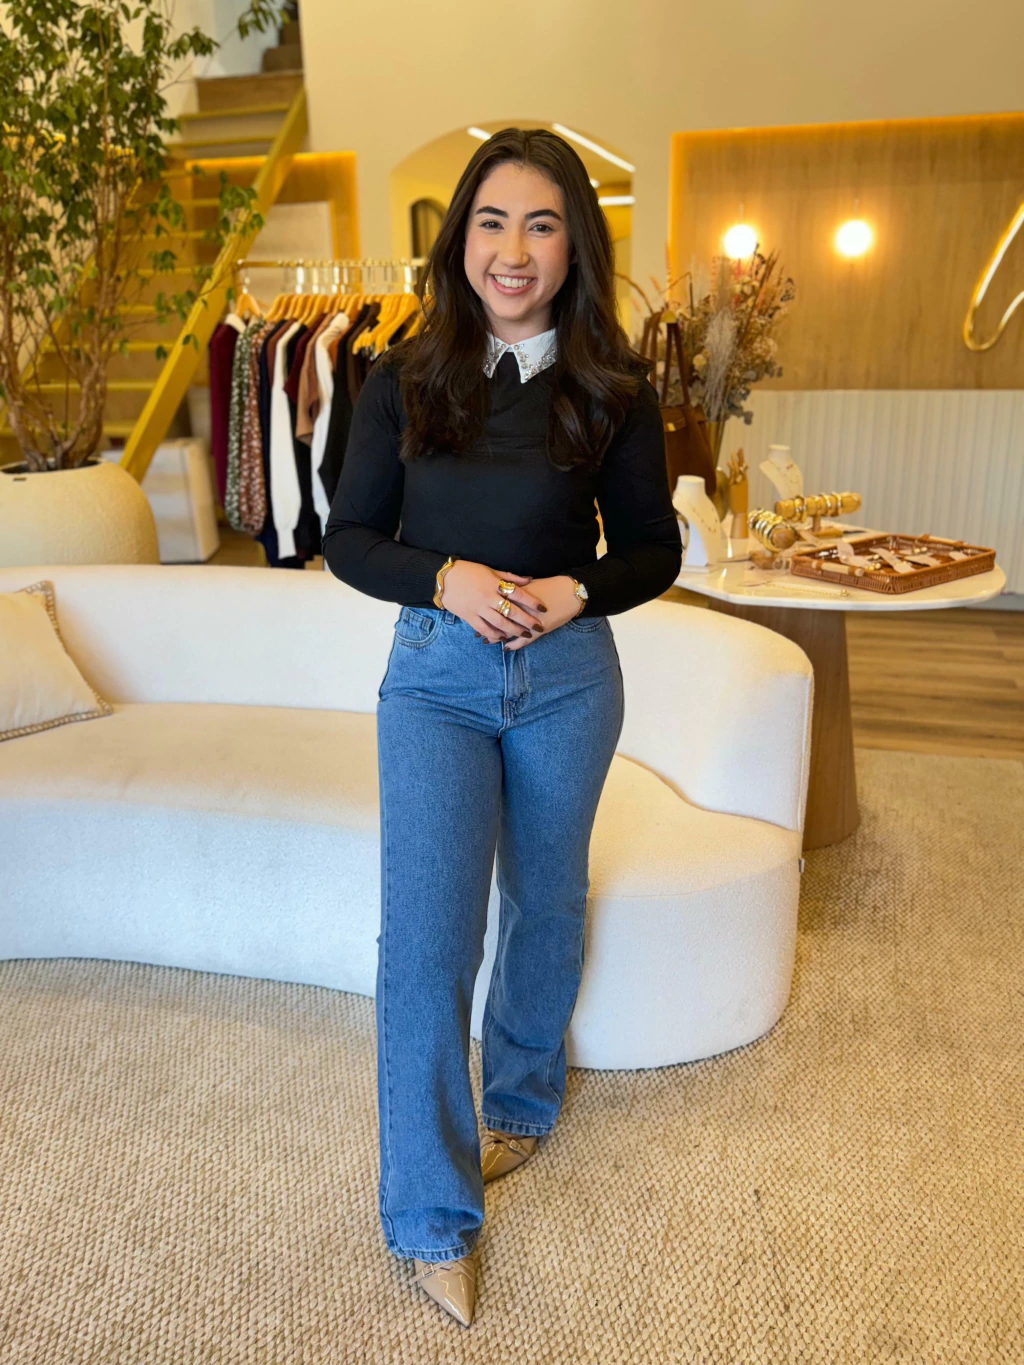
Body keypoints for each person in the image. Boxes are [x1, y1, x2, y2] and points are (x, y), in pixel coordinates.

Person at [322, 127, 682, 1327]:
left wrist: (580, 588)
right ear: (458, 241)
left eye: (540, 224)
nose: (512, 250)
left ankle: (518, 1103)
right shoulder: (402, 377)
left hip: (570, 680)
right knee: (427, 939)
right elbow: (348, 540)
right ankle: (431, 1217)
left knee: (546, 897)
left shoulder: (612, 389)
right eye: (490, 222)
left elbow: (652, 548)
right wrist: (446, 579)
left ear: (574, 245)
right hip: (436, 680)